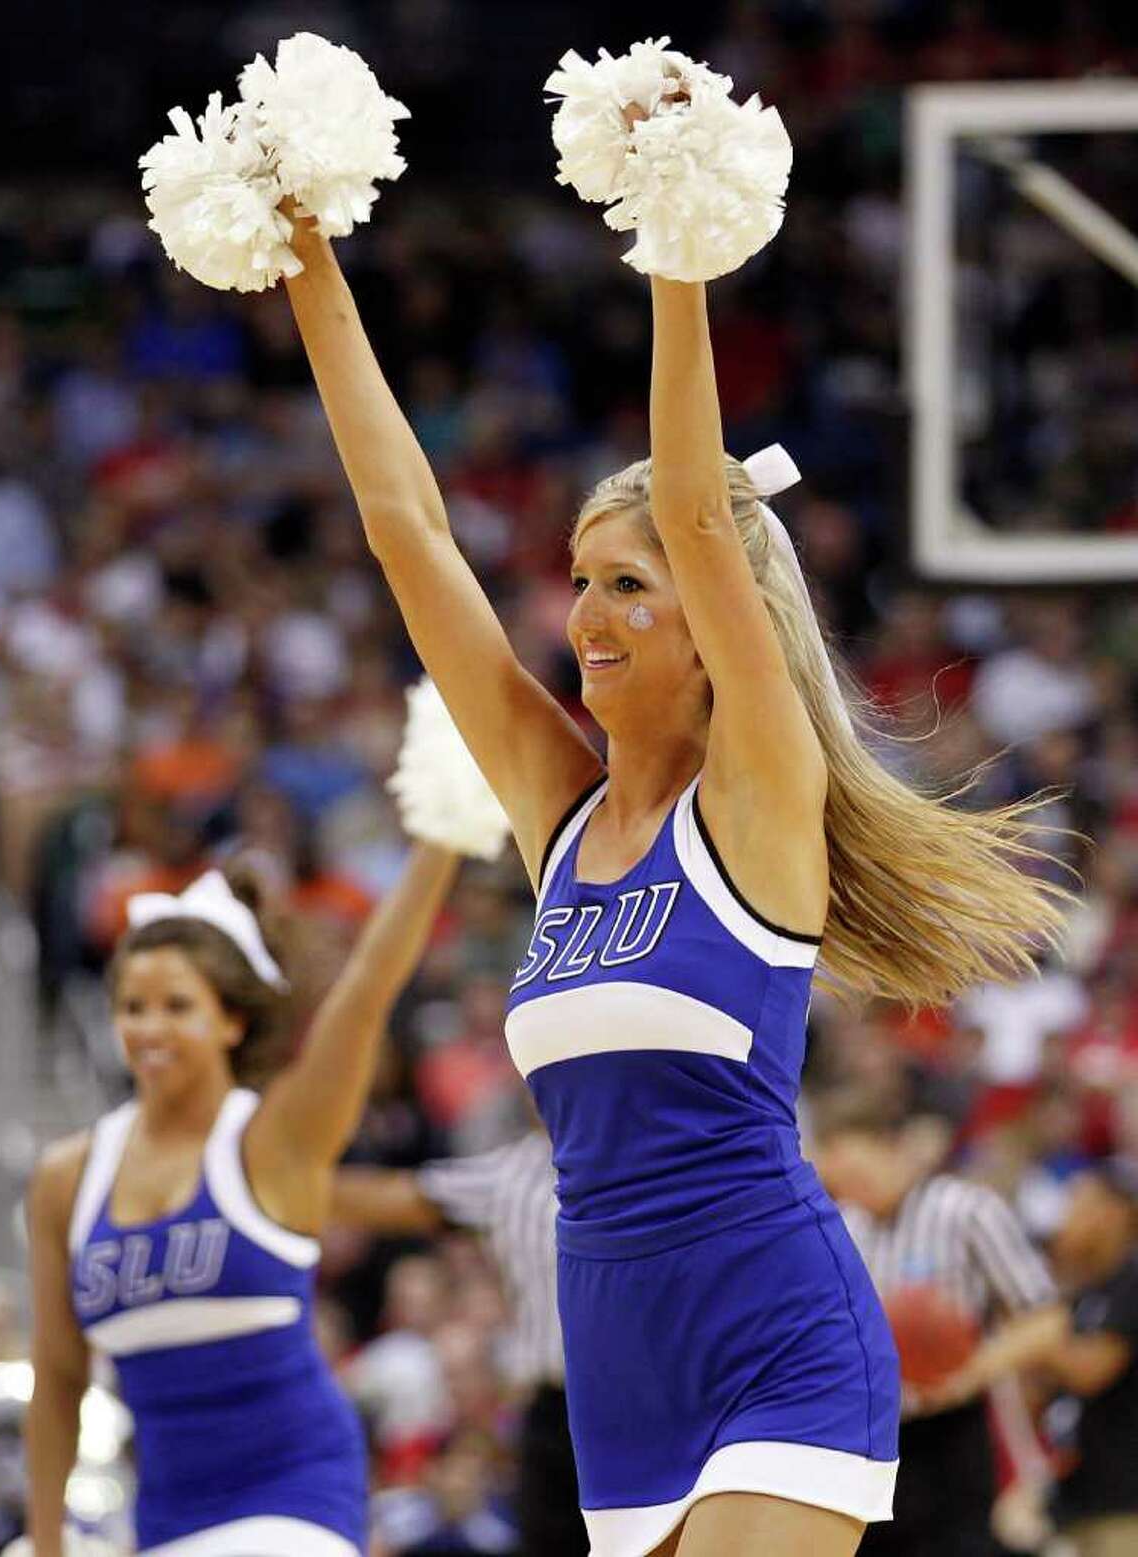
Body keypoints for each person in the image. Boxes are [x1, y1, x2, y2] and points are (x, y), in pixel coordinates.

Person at [283, 100, 1067, 1557]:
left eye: (630, 586)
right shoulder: (558, 820)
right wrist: (311, 261)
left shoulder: (759, 798)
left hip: (779, 1342)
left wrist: (675, 241)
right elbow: (409, 533)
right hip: (616, 1380)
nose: (590, 616)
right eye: (582, 580)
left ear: (715, 630)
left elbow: (707, 519)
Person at [25, 831, 463, 1557]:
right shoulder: (67, 1177)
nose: (149, 1028)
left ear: (231, 1019)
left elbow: (368, 986)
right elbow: (58, 1378)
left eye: (177, 1005)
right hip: (164, 1512)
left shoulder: (272, 1139)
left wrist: (445, 837)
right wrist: (47, 1546)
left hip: (295, 1495)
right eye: (132, 1006)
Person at [812, 1092, 1067, 1557]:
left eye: (856, 1173)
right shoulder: (843, 1226)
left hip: (954, 1427)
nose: (851, 1188)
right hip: (871, 1433)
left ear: (891, 1148)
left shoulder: (965, 1209)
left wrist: (968, 1372)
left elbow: (1047, 1318)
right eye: (839, 1180)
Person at [329, 1123, 584, 1556]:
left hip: (648, 1404)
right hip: (553, 1411)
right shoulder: (516, 1169)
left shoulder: (656, 1156)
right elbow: (397, 1196)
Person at [1044, 1158, 1138, 1556]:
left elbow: (1089, 1370)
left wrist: (1028, 1337)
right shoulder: (1090, 1289)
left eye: (1079, 1204)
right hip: (1083, 1497)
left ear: (1115, 1213)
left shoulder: (1132, 1279)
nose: (1066, 1218)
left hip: (1126, 1505)